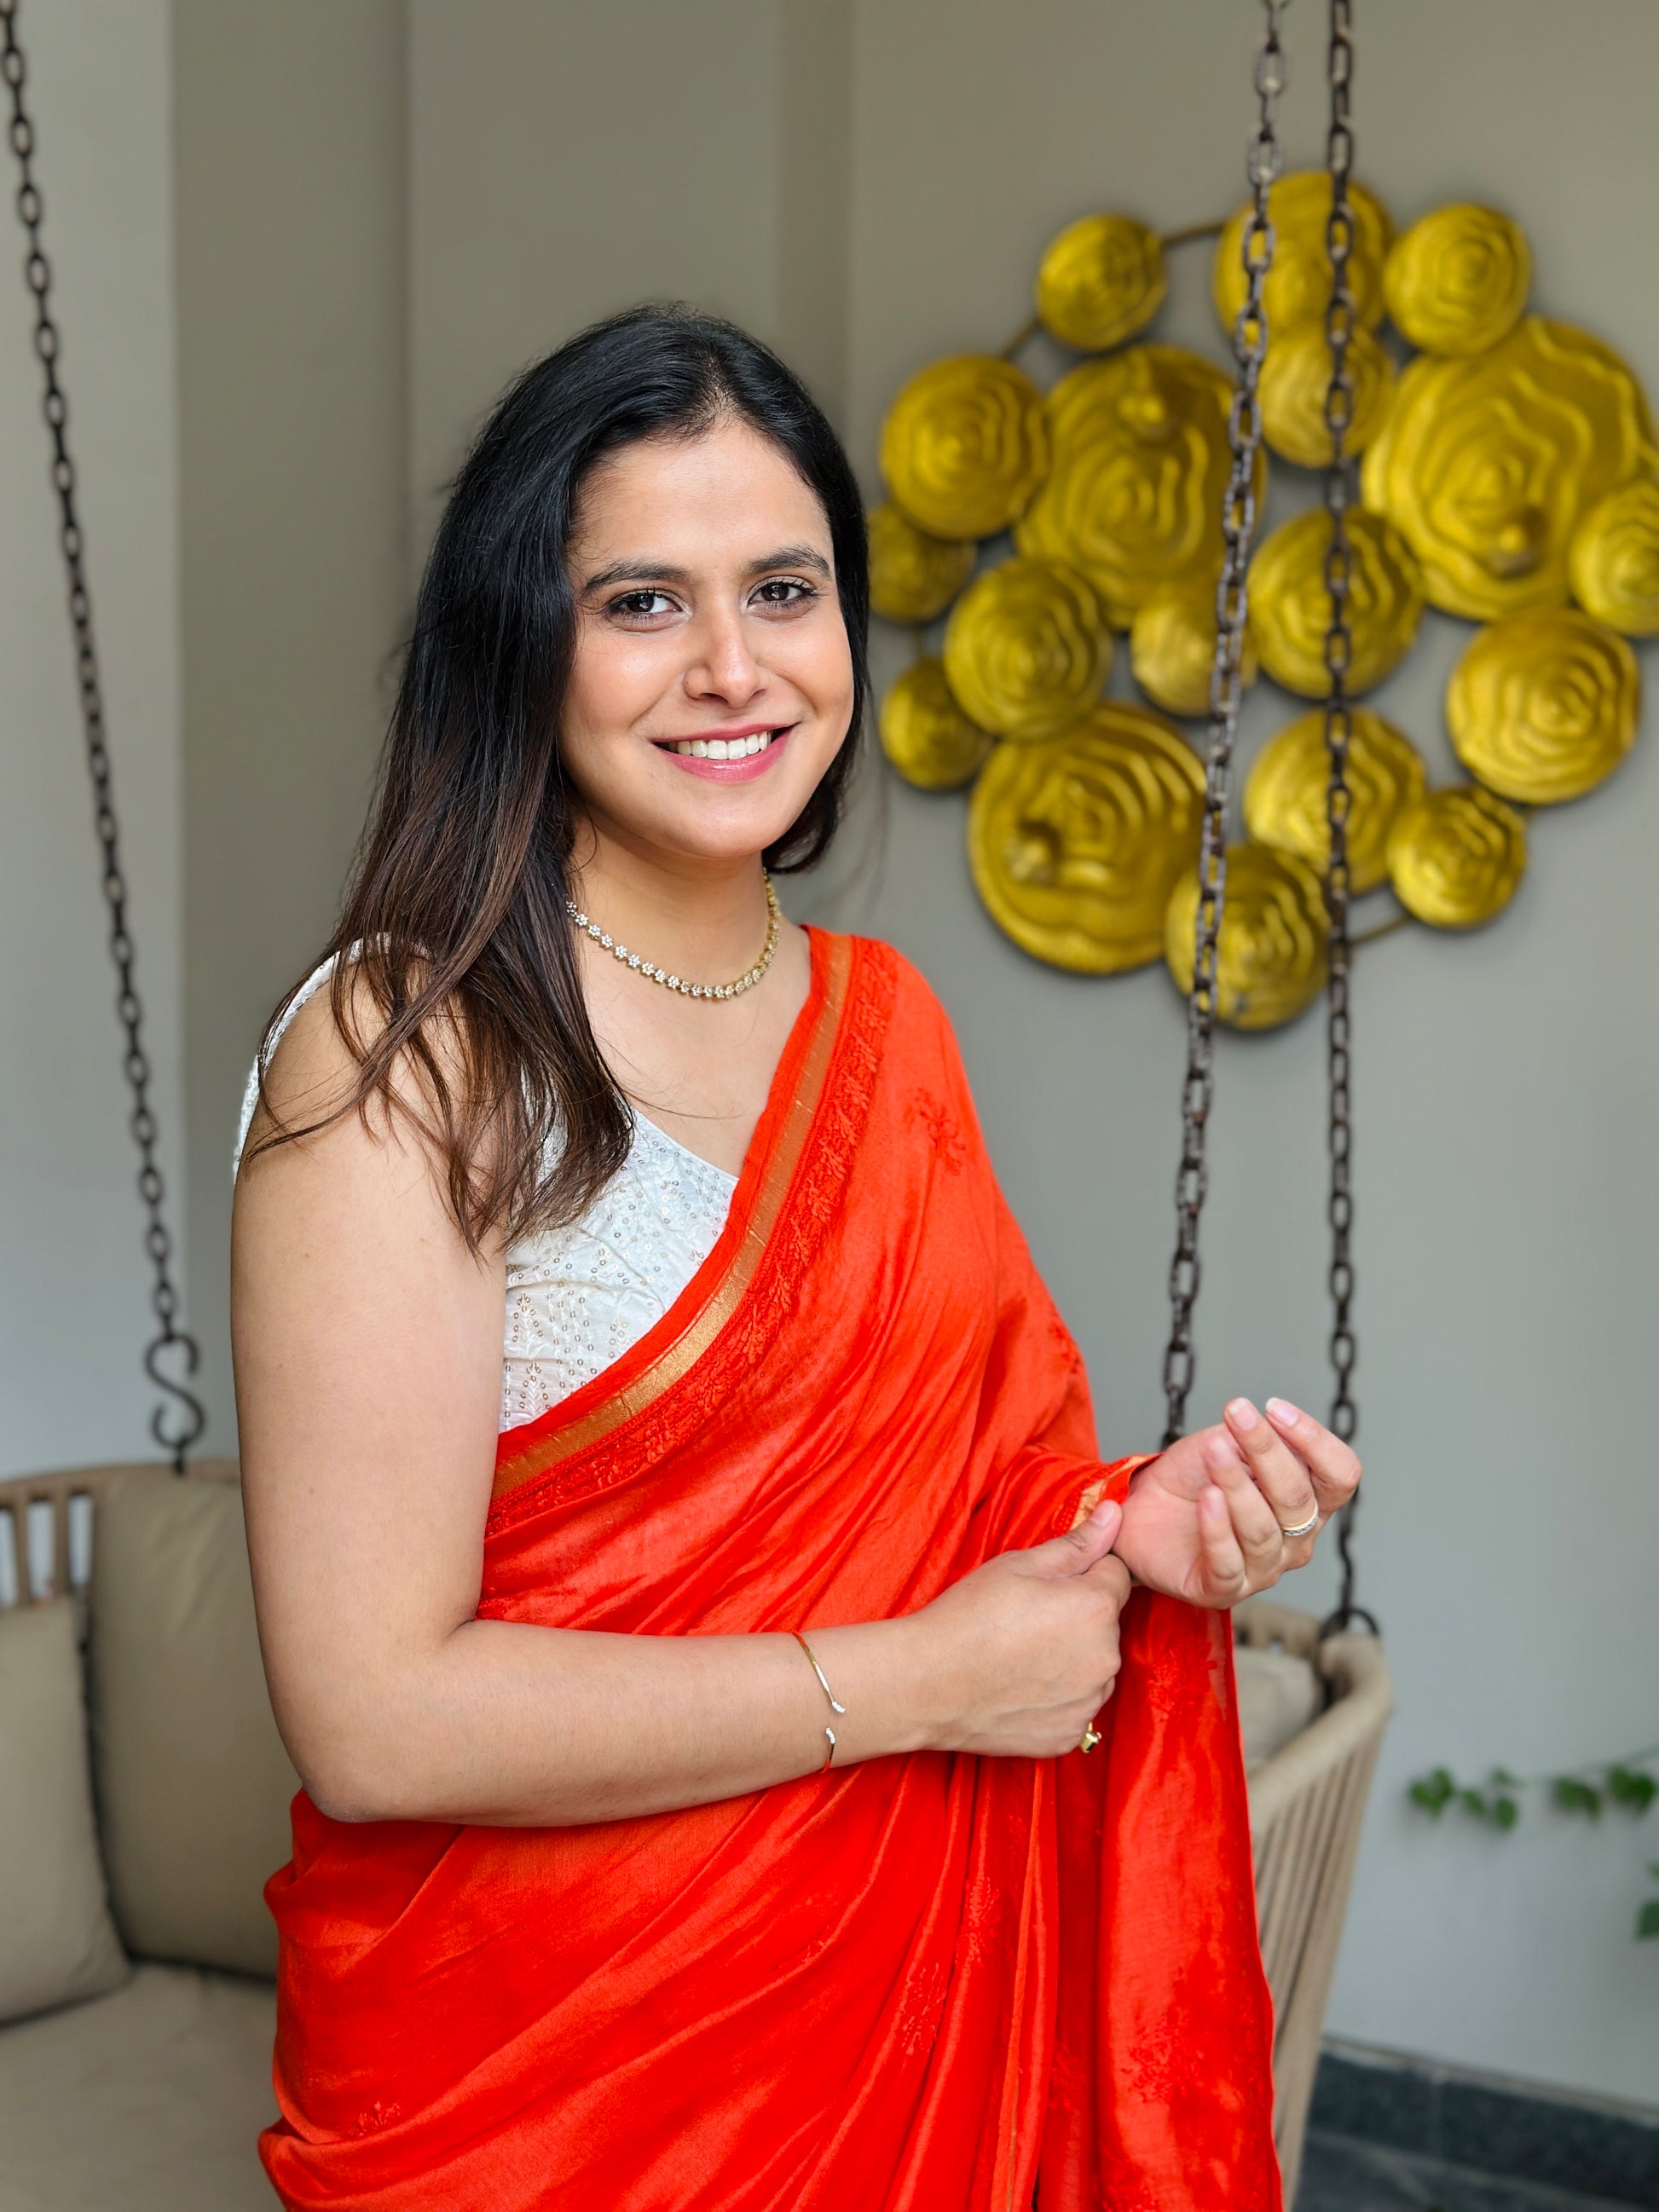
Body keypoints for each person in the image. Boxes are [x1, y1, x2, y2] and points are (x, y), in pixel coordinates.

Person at [231, 305, 1360, 2212]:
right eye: (641, 604)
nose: (733, 667)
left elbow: (952, 1479)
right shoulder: (406, 1051)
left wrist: (1124, 1526)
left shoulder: (884, 1021)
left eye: (783, 588)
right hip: (537, 2081)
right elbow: (373, 1719)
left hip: (894, 2028)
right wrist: (915, 1679)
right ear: (521, 643)